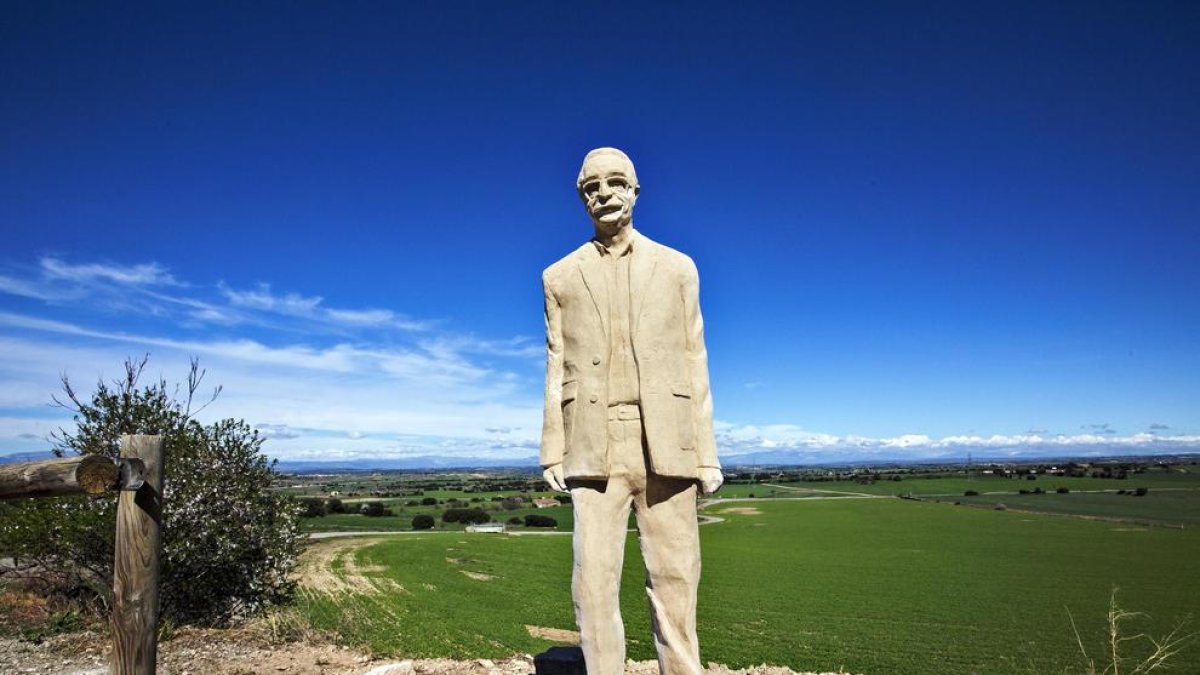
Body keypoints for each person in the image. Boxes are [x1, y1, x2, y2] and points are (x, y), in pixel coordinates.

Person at [540, 147, 723, 675]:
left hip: (668, 439)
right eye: (591, 187)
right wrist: (552, 447)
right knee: (592, 584)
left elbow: (695, 359)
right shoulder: (559, 277)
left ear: (636, 191)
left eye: (615, 182)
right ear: (582, 198)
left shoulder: (678, 268)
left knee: (676, 577)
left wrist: (706, 454)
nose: (604, 194)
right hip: (592, 442)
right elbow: (555, 362)